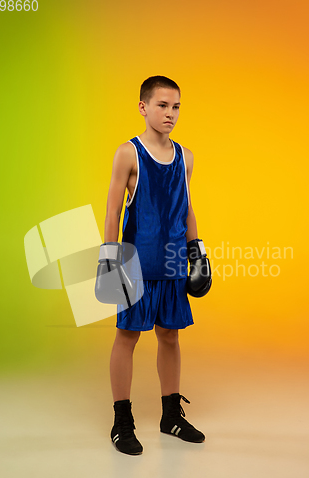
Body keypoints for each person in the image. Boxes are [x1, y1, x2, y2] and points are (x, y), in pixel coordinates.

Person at [101, 75, 209, 455]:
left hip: (173, 261)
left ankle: (170, 416)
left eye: (176, 106)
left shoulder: (186, 156)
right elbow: (113, 211)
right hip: (135, 261)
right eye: (162, 105)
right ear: (143, 107)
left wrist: (197, 251)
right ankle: (121, 420)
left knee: (170, 335)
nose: (170, 114)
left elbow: (186, 207)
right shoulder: (128, 153)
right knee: (127, 336)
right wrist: (109, 258)